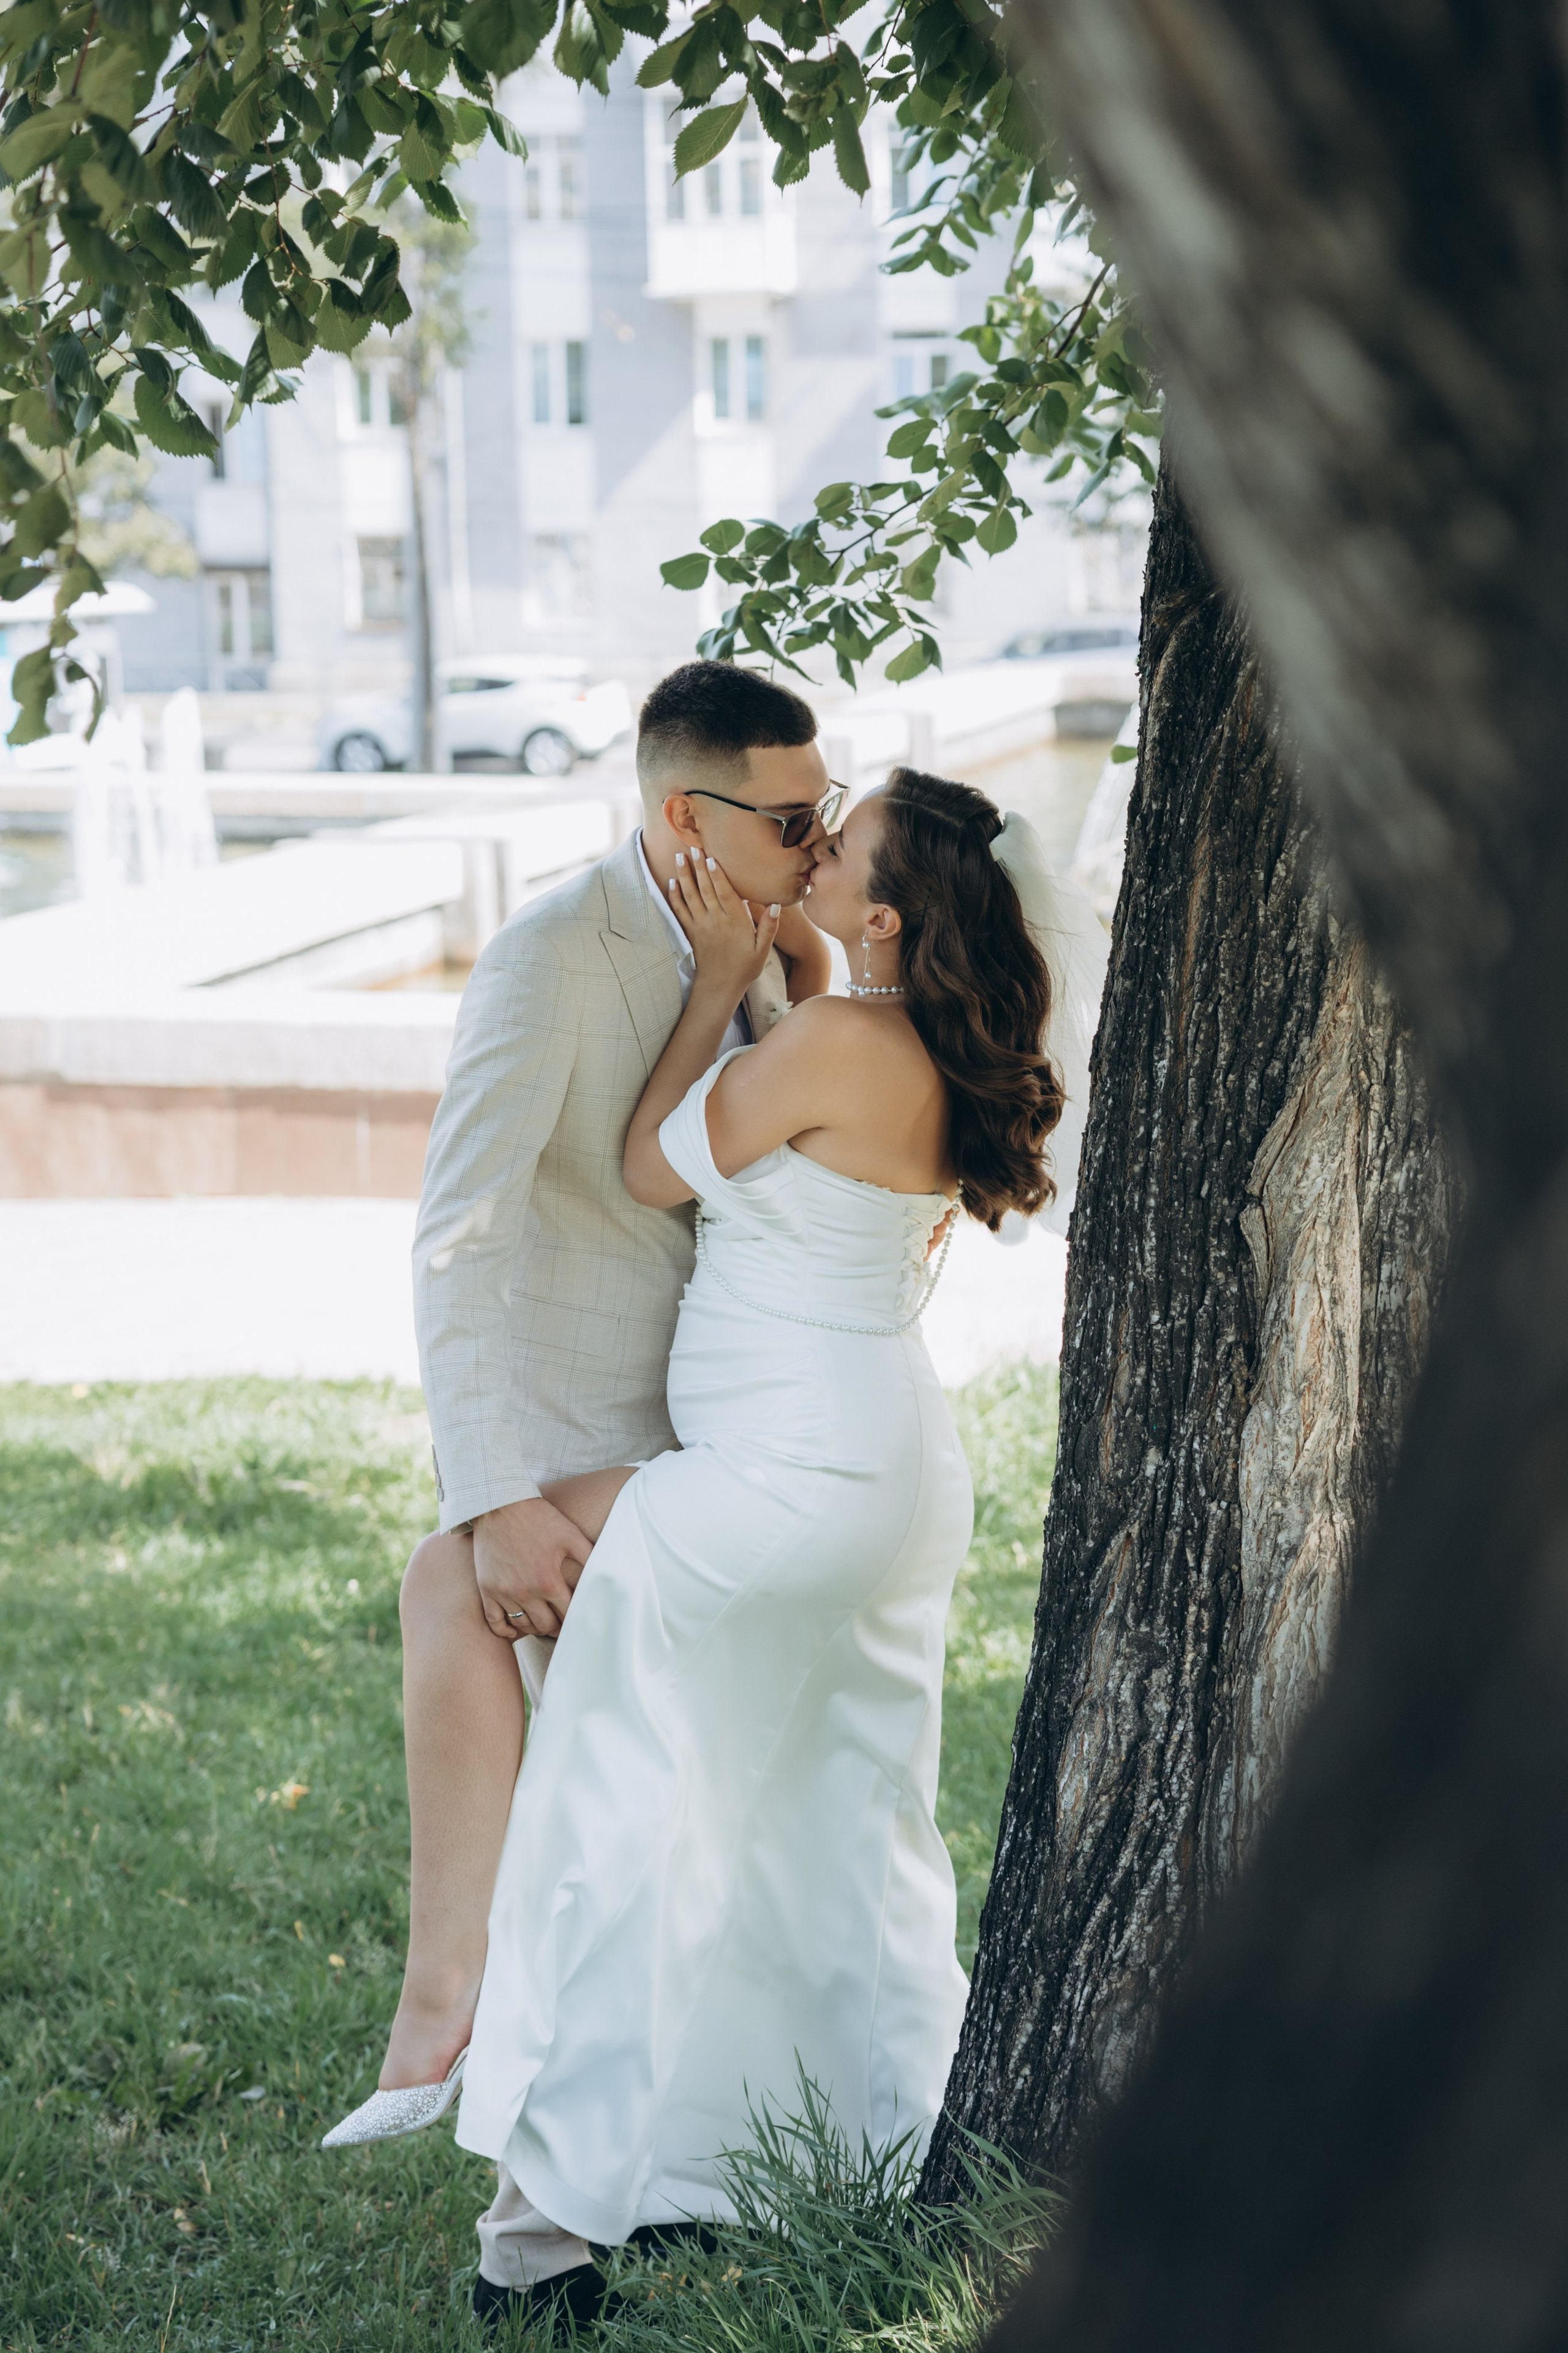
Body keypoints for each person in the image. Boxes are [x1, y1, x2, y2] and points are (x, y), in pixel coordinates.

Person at [325, 755, 1087, 2338]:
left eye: (839, 839)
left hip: (772, 1483)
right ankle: (809, 2158)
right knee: (834, 1830)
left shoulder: (828, 1035)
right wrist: (793, 971)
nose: (811, 847)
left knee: (620, 1814)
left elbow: (647, 1164)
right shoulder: (931, 1042)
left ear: (885, 906)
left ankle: (536, 2237)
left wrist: (728, 980)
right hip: (883, 1481)